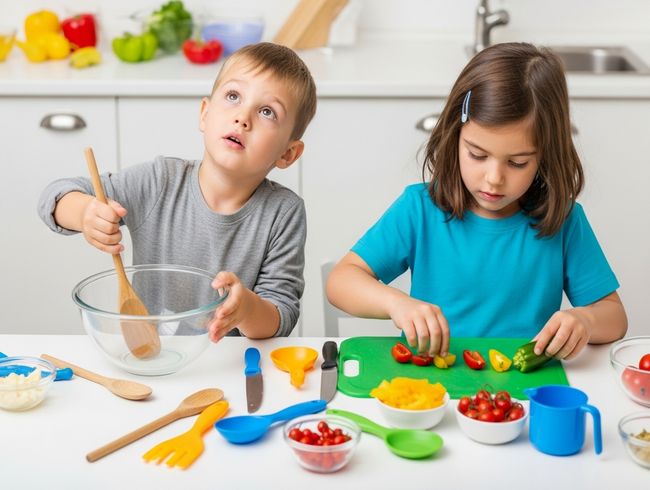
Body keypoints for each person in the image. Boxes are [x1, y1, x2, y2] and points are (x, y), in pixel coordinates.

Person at [326, 42, 627, 361]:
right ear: (454, 135)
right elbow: (341, 281)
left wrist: (587, 320)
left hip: (521, 397)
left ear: (545, 154)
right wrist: (395, 303)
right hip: (431, 390)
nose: (494, 178)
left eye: (518, 162)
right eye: (477, 155)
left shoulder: (564, 220)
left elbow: (615, 317)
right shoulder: (420, 208)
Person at [38, 42, 317, 342]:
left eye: (267, 111)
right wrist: (83, 212)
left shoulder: (283, 212)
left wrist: (248, 309)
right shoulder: (159, 182)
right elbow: (54, 196)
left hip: (231, 369)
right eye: (233, 96)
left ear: (288, 154)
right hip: (152, 357)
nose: (243, 117)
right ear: (205, 114)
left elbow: (282, 316)